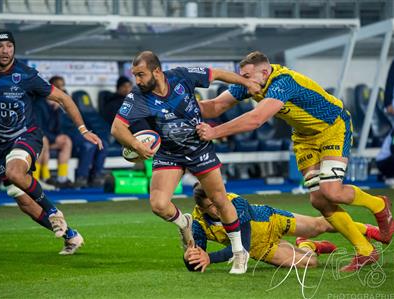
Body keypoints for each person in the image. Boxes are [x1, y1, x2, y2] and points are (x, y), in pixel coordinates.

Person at [195, 51, 393, 271]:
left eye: (247, 75)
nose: (242, 80)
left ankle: (379, 205)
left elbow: (256, 119)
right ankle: (365, 251)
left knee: (331, 192)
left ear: (265, 71)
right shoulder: (251, 83)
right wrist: (182, 107)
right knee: (318, 200)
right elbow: (215, 106)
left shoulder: (283, 82)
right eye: (241, 75)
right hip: (304, 137)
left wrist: (215, 131)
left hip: (333, 127)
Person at [0, 30, 103, 254]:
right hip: (0, 144)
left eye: (9, 46)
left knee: (15, 173)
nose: (5, 51)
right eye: (0, 47)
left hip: (26, 135)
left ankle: (52, 211)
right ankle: (70, 235)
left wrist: (83, 129)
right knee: (25, 204)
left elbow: (63, 98)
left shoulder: (26, 74)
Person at [111, 51, 260, 274]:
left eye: (141, 74)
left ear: (157, 71)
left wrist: (246, 82)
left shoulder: (182, 76)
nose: (137, 80)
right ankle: (185, 224)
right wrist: (136, 145)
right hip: (169, 153)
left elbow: (217, 74)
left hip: (198, 148)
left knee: (220, 199)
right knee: (159, 205)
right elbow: (117, 128)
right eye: (135, 75)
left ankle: (239, 252)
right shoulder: (137, 96)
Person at [184, 183, 383, 272]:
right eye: (211, 206)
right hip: (261, 249)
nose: (219, 207)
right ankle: (309, 246)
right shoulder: (198, 223)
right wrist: (191, 257)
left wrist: (211, 258)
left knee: (318, 225)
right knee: (311, 263)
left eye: (218, 200)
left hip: (271, 219)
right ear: (200, 208)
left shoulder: (236, 203)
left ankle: (369, 230)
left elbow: (241, 247)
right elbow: (196, 256)